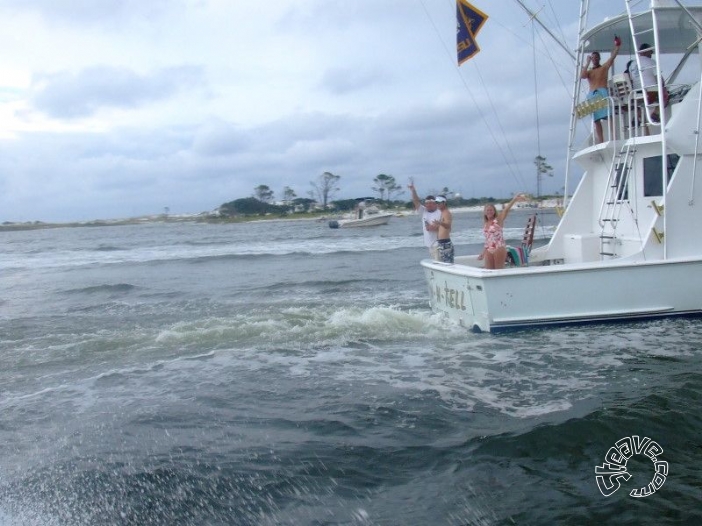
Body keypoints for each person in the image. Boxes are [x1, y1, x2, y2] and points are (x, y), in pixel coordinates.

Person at [581, 36, 621, 144]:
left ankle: (613, 138)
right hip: (592, 95)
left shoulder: (603, 67)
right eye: (593, 58)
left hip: (602, 93)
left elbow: (612, 57)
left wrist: (617, 47)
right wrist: (587, 62)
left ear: (599, 58)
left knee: (609, 116)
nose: (594, 59)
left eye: (596, 58)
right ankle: (601, 140)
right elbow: (582, 75)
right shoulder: (589, 71)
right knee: (596, 120)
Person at [478, 194, 527, 270]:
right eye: (487, 210)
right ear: (484, 212)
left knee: (498, 271)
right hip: (489, 250)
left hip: (499, 248)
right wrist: (483, 253)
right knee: (488, 272)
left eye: (491, 210)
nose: (489, 212)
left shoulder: (498, 220)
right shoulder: (485, 224)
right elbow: (487, 240)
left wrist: (514, 199)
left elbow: (506, 210)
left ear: (494, 211)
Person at [628, 43, 668, 123]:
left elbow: (631, 80)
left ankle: (638, 114)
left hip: (636, 95)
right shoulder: (651, 62)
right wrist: (664, 87)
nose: (652, 53)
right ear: (646, 51)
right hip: (649, 93)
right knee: (665, 94)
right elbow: (660, 79)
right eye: (651, 51)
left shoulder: (632, 64)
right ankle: (656, 113)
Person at [409, 182, 441, 258]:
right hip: (430, 245)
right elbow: (416, 201)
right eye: (427, 203)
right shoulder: (424, 211)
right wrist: (413, 190)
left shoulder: (440, 213)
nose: (429, 205)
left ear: (435, 204)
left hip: (439, 245)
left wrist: (433, 227)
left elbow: (436, 228)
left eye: (431, 203)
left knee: (439, 264)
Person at [434, 195, 454, 264]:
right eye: (436, 203)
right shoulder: (442, 213)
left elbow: (448, 226)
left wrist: (440, 223)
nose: (437, 205)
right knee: (443, 263)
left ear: (444, 203)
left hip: (445, 243)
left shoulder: (446, 213)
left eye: (439, 203)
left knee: (447, 264)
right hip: (441, 243)